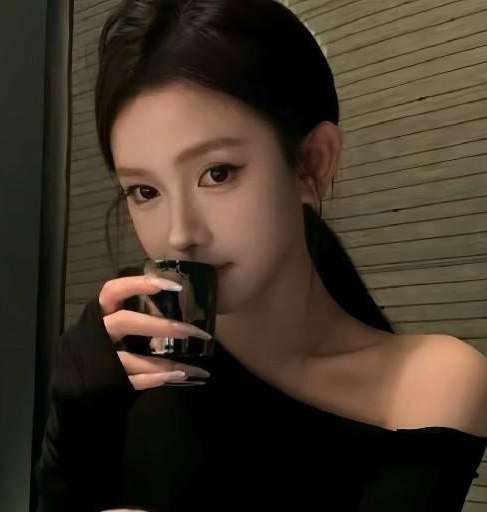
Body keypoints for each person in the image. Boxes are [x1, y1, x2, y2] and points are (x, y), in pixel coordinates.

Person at [34, 1, 487, 511]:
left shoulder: (427, 382)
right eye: (144, 191)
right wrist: (74, 414)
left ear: (311, 162)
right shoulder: (126, 343)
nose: (181, 235)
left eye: (218, 173)